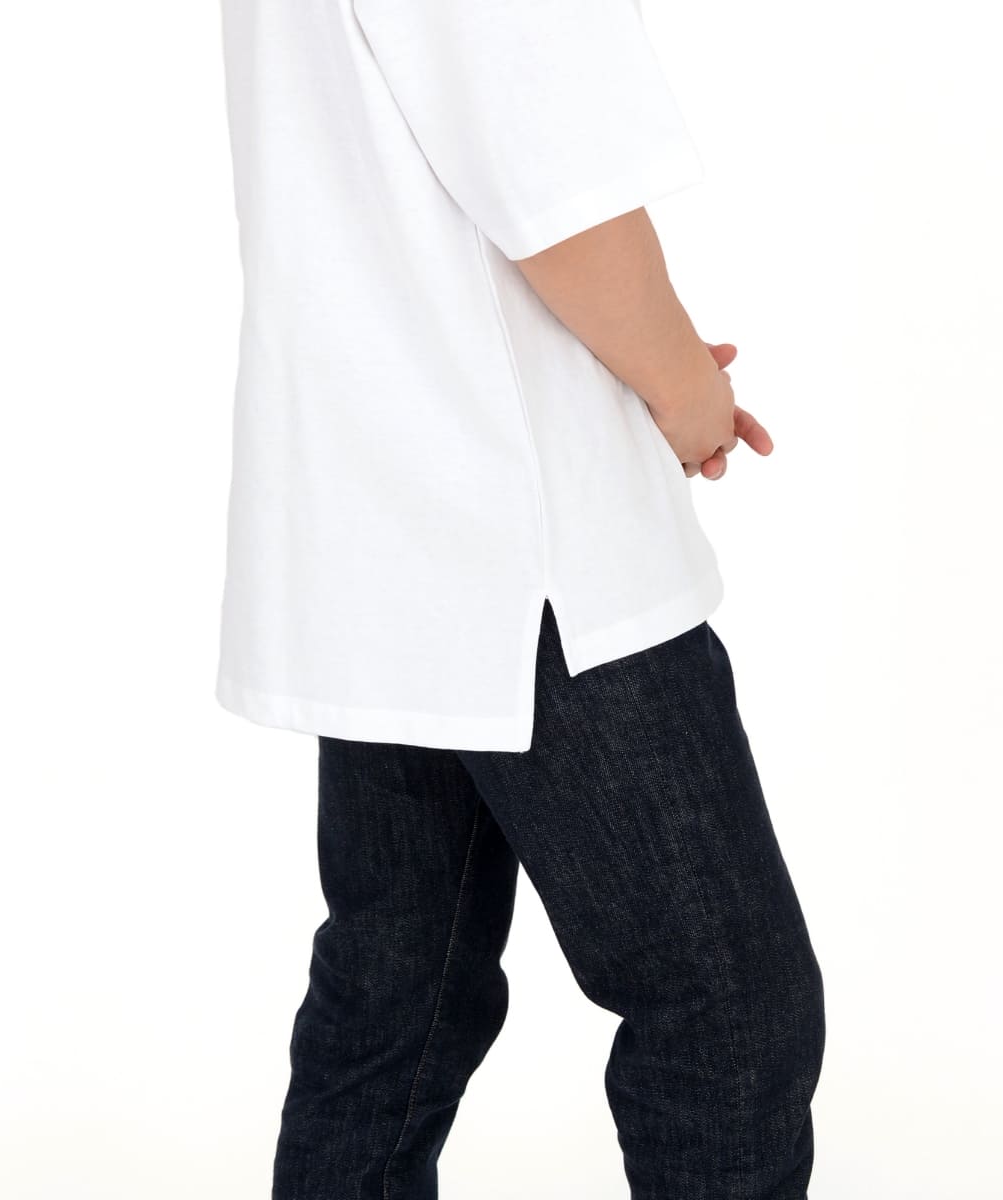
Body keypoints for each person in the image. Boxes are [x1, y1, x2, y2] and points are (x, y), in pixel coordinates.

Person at [214, 0, 826, 1196]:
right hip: (526, 537)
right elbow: (558, 198)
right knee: (726, 1004)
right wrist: (680, 387)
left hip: (382, 513)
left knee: (398, 995)